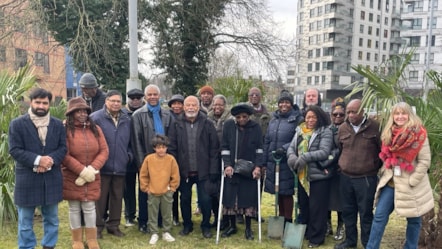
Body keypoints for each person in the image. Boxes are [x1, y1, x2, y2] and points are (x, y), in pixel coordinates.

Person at [366, 102, 434, 249]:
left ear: (409, 114)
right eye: (397, 113)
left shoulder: (419, 134)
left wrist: (413, 180)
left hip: (411, 184)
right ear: (393, 116)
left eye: (403, 113)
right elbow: (386, 157)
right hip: (391, 183)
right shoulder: (388, 132)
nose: (400, 117)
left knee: (414, 221)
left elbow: (425, 161)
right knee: (379, 217)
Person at [8, 88, 67, 249]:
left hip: (51, 178)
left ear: (49, 104)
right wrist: (38, 160)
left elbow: (63, 148)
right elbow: (14, 150)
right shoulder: (18, 124)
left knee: (52, 219)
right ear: (31, 102)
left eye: (45, 103)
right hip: (27, 178)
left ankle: (49, 245)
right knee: (26, 220)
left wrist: (48, 162)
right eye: (38, 102)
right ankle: (27, 246)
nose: (41, 106)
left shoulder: (57, 124)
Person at [168, 96, 220, 239]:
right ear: (184, 107)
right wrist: (174, 169)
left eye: (194, 105)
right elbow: (172, 148)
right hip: (183, 171)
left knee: (205, 200)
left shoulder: (207, 123)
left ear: (198, 107)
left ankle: (205, 226)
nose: (191, 107)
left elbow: (214, 149)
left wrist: (213, 170)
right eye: (188, 105)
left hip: (203, 171)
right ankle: (187, 225)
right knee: (184, 199)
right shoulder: (176, 124)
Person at [62, 97, 109, 249]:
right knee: (74, 208)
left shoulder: (96, 129)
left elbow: (104, 150)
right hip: (72, 176)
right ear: (71, 113)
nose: (82, 114)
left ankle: (91, 239)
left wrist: (92, 169)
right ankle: (77, 240)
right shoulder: (66, 130)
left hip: (92, 175)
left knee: (89, 207)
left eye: (84, 111)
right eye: (78, 111)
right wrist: (81, 170)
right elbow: (64, 154)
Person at [335, 99, 381, 249]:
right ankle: (350, 241)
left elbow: (382, 152)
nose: (350, 115)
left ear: (362, 111)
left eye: (354, 111)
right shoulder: (342, 128)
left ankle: (368, 242)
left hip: (366, 178)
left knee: (366, 213)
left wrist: (372, 166)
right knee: (348, 211)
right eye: (348, 112)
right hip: (346, 177)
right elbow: (339, 148)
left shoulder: (375, 127)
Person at [287, 105, 333, 248]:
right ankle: (306, 232)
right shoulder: (300, 130)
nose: (310, 120)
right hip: (302, 176)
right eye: (308, 117)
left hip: (318, 176)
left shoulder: (325, 131)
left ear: (319, 117)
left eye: (313, 117)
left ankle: (317, 238)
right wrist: (292, 157)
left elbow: (324, 152)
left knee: (317, 209)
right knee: (304, 206)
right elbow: (291, 147)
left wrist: (305, 157)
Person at [131, 84, 175, 234]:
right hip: (146, 160)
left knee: (162, 189)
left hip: (164, 159)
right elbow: (136, 140)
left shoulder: (168, 115)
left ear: (159, 95)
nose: (152, 97)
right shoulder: (138, 115)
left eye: (155, 94)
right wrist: (141, 162)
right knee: (146, 191)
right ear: (145, 97)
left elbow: (171, 138)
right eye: (149, 94)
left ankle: (161, 220)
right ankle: (143, 221)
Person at [90, 90, 132, 238]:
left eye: (118, 101)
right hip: (102, 166)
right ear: (106, 101)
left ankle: (113, 225)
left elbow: (130, 143)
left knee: (117, 197)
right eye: (112, 101)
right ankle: (97, 227)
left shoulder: (127, 119)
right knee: (100, 198)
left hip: (121, 165)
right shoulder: (95, 118)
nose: (115, 104)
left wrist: (128, 156)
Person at [220, 103, 264, 240]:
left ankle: (248, 229)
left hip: (249, 169)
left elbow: (259, 149)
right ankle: (232, 226)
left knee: (248, 198)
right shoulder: (228, 126)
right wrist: (227, 165)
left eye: (244, 117)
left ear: (249, 116)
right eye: (238, 117)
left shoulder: (256, 127)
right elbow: (225, 147)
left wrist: (258, 167)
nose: (241, 119)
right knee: (231, 198)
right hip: (232, 168)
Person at [264, 90, 303, 227]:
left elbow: (299, 138)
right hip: (274, 161)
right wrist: (265, 159)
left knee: (286, 192)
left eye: (287, 102)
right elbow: (267, 140)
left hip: (287, 161)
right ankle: (280, 218)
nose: (283, 105)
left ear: (291, 104)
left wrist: (285, 148)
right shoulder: (274, 119)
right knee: (278, 191)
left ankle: (288, 219)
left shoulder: (297, 119)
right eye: (281, 102)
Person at [139, 134, 180, 245]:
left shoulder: (171, 159)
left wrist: (172, 188)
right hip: (152, 192)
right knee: (152, 213)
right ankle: (154, 232)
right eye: (158, 147)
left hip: (167, 192)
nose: (161, 150)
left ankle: (166, 231)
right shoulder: (149, 159)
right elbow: (143, 175)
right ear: (154, 148)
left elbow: (175, 175)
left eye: (163, 147)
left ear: (167, 147)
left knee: (167, 213)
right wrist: (146, 188)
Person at [207, 94, 231, 228]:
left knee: (226, 191)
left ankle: (227, 219)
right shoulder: (207, 119)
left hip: (226, 157)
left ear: (224, 106)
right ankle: (216, 217)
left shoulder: (230, 119)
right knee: (212, 190)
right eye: (215, 104)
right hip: (211, 159)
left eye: (220, 104)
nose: (217, 107)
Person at [122, 88, 145, 227]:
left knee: (144, 187)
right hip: (128, 156)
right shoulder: (123, 113)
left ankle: (144, 215)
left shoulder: (146, 113)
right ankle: (129, 215)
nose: (135, 100)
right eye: (132, 98)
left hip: (144, 154)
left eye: (138, 98)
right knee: (128, 189)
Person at [326, 98, 346, 241]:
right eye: (335, 114)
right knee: (326, 199)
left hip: (342, 170)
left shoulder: (347, 129)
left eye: (341, 114)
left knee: (340, 201)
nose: (337, 117)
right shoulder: (326, 129)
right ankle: (327, 225)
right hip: (327, 169)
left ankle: (340, 226)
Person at [167, 93, 185, 226]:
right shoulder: (167, 117)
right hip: (171, 157)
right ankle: (173, 216)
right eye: (174, 103)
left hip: (186, 160)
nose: (177, 106)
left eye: (179, 103)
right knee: (172, 191)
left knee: (183, 191)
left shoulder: (187, 117)